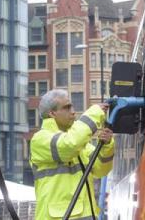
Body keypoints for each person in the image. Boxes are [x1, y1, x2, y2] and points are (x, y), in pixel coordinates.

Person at [30, 89, 114, 220]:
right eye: (67, 107)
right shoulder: (40, 139)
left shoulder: (79, 142)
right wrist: (94, 113)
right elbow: (69, 145)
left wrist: (107, 145)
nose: (73, 111)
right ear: (52, 113)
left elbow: (101, 170)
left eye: (72, 106)